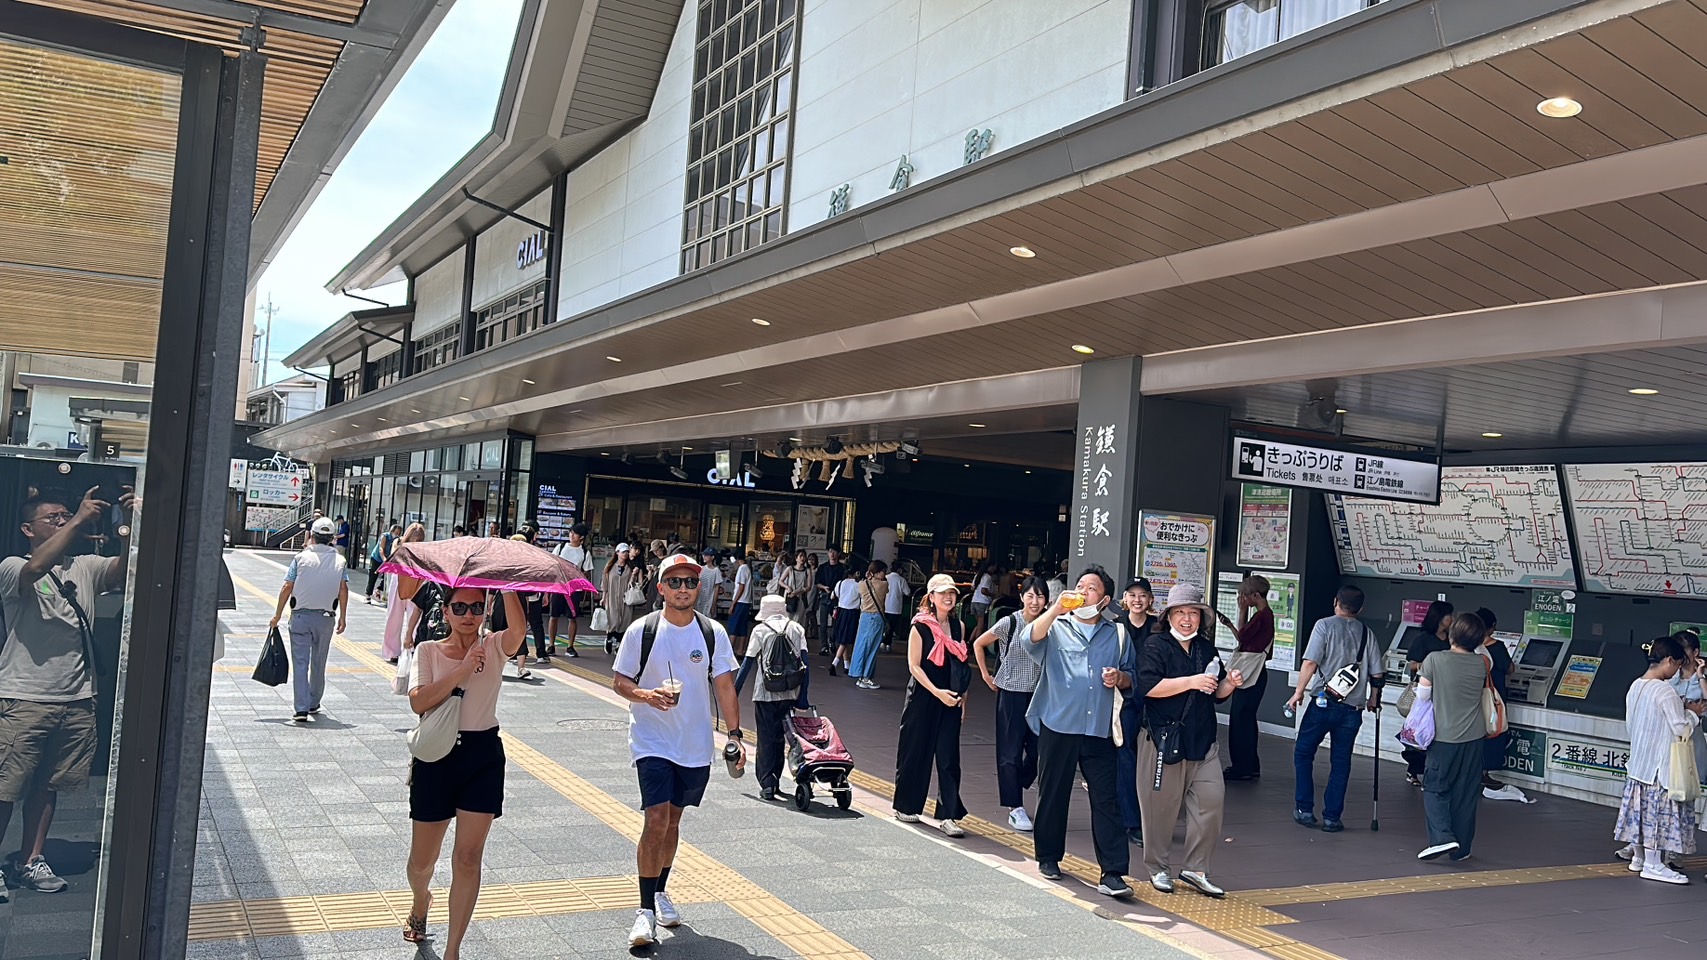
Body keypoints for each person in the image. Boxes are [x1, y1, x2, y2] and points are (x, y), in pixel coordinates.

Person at [0, 487, 135, 896]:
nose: (62, 521)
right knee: (5, 787)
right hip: (24, 696)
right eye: (53, 518)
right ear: (27, 529)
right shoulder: (12, 565)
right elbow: (36, 569)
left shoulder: (86, 566)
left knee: (49, 785)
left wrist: (134, 528)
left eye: (65, 516)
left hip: (76, 698)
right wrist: (77, 519)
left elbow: (127, 569)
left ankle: (30, 860)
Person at [612, 554, 744, 948]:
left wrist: (735, 735)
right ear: (661, 587)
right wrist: (646, 696)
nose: (683, 588)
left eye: (689, 582)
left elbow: (723, 685)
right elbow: (620, 681)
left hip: (694, 742)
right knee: (655, 819)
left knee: (672, 820)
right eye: (675, 582)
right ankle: (644, 911)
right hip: (651, 740)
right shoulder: (643, 630)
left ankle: (660, 891)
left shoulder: (712, 632)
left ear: (697, 588)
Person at [402, 588, 528, 956]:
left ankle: (453, 949)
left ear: (486, 611)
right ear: (445, 612)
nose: (468, 615)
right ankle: (420, 900)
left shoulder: (494, 646)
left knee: (469, 857)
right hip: (435, 758)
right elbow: (418, 702)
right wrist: (461, 669)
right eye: (459, 607)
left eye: (476, 607)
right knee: (421, 862)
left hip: (482, 755)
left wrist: (507, 585)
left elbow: (518, 632)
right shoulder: (428, 651)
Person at [1023, 566, 1138, 898]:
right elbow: (1027, 639)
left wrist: (1120, 678)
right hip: (1059, 723)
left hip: (1099, 727)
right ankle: (1048, 857)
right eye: (1080, 586)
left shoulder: (1117, 634)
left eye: (1092, 588)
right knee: (1053, 793)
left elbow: (1132, 676)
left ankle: (1113, 873)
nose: (1083, 591)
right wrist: (1055, 608)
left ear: (1104, 600)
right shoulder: (1056, 626)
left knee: (1106, 799)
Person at [1136, 583, 1242, 898]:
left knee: (1211, 802)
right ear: (1168, 615)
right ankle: (1157, 868)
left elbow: (1217, 693)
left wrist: (1230, 683)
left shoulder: (1206, 649)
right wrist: (1190, 682)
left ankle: (1196, 869)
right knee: (1160, 810)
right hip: (1162, 740)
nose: (1187, 619)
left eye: (1193, 613)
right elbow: (1148, 688)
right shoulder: (1155, 646)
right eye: (1180, 612)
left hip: (1203, 740)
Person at [1285, 585, 1383, 833]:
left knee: (1303, 753)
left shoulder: (1324, 626)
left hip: (1322, 701)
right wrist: (1373, 698)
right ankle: (1332, 818)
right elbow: (1377, 673)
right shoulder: (1367, 633)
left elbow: (1310, 663)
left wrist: (1298, 693)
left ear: (1335, 601)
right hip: (1352, 708)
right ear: (1361, 608)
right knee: (1341, 762)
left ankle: (1304, 810)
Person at [1613, 634, 1705, 884]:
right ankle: (1654, 865)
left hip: (1639, 763)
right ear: (1668, 660)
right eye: (1677, 663)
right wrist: (1694, 714)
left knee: (1640, 813)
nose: (1677, 670)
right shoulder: (1665, 691)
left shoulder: (1636, 685)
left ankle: (1639, 858)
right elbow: (1681, 728)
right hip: (1659, 766)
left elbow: (1631, 723)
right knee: (1657, 815)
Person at [893, 575, 971, 837]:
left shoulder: (959, 627)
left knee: (949, 757)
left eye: (952, 593)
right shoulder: (920, 627)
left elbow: (961, 666)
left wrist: (963, 701)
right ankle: (907, 805)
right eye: (942, 593)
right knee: (915, 751)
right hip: (924, 696)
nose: (948, 598)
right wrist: (937, 692)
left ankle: (949, 815)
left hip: (951, 699)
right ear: (931, 597)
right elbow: (914, 666)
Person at [1415, 612, 1492, 863]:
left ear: (1451, 634)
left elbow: (1423, 696)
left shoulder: (1434, 659)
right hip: (1474, 737)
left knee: (1435, 788)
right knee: (1465, 793)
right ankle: (1463, 848)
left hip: (1443, 737)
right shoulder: (1482, 662)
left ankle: (1441, 837)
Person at [974, 576, 1046, 832]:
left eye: (1040, 596)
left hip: (1040, 696)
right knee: (1010, 752)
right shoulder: (1010, 621)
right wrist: (985, 675)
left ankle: (1019, 783)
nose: (1035, 601)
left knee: (1039, 751)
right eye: (1030, 595)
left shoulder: (1050, 624)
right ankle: (1014, 807)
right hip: (1011, 693)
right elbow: (979, 643)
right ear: (1022, 596)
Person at [268, 517, 350, 722]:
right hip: (326, 618)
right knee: (319, 661)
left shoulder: (300, 558)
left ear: (311, 536)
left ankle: (301, 707)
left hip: (300, 617)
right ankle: (314, 702)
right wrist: (343, 616)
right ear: (331, 538)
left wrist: (277, 614)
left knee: (301, 662)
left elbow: (287, 586)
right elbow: (343, 589)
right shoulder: (340, 561)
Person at [734, 594, 808, 801]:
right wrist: (803, 696)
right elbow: (806, 664)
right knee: (781, 737)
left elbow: (747, 663)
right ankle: (777, 778)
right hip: (790, 691)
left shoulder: (760, 630)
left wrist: (734, 692)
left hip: (765, 693)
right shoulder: (797, 628)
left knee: (766, 738)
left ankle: (768, 783)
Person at [1114, 578, 1157, 845]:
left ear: (1150, 600)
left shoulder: (1159, 628)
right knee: (1126, 758)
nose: (1137, 600)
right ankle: (1131, 822)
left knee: (1152, 762)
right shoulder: (1116, 627)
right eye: (1132, 595)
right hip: (1127, 701)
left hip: (1156, 701)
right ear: (1125, 599)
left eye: (1143, 595)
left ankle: (1153, 819)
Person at [1222, 575, 1274, 782]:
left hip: (1251, 673)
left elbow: (1243, 638)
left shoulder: (1262, 616)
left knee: (1240, 719)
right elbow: (1244, 636)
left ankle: (1242, 767)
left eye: (1245, 595)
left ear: (1255, 595)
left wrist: (1242, 611)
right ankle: (1249, 765)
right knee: (1246, 720)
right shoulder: (1265, 615)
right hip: (1256, 671)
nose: (1242, 598)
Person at [1402, 601, 1454, 787]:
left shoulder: (1450, 639)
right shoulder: (1423, 639)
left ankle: (1431, 772)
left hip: (1446, 692)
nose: (1452, 619)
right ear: (1440, 617)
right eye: (1449, 615)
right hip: (1426, 692)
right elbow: (1412, 664)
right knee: (1422, 731)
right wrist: (1432, 665)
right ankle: (1414, 769)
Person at [1475, 608, 1510, 789]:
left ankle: (1473, 771)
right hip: (1494, 697)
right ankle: (1484, 773)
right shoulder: (1497, 646)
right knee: (1493, 730)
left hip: (1474, 695)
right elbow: (1509, 668)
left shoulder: (1470, 645)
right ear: (1493, 626)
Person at [382, 523, 425, 661]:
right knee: (394, 616)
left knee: (414, 616)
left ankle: (411, 646)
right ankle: (391, 651)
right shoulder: (399, 544)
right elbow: (394, 559)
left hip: (416, 583)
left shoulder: (423, 550)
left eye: (419, 539)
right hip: (399, 580)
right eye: (414, 538)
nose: (416, 541)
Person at [549, 522, 590, 657]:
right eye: (571, 532)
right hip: (559, 586)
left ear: (581, 537)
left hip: (574, 589)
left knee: (572, 617)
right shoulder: (560, 548)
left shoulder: (584, 553)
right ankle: (551, 645)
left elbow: (587, 572)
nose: (571, 535)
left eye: (575, 534)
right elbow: (552, 564)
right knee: (553, 616)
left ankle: (570, 646)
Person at [849, 561, 890, 690]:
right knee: (872, 648)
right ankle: (866, 677)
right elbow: (886, 586)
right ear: (876, 573)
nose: (885, 574)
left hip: (864, 617)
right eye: (883, 571)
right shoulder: (883, 585)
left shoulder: (862, 584)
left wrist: (868, 576)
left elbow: (860, 581)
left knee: (861, 646)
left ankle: (859, 675)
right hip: (876, 617)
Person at [601, 544, 642, 654]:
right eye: (623, 552)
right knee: (612, 620)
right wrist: (603, 597)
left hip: (625, 598)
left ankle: (619, 643)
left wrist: (634, 575)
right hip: (611, 598)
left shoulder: (631, 567)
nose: (625, 554)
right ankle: (609, 639)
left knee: (624, 620)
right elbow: (604, 583)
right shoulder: (609, 567)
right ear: (617, 552)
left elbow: (633, 584)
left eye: (627, 552)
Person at [828, 564, 861, 676]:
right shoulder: (858, 585)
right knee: (845, 640)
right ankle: (834, 664)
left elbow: (832, 596)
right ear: (856, 573)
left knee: (843, 639)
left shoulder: (840, 583)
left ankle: (847, 665)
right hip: (852, 614)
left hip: (841, 612)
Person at [814, 548, 847, 654]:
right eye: (830, 552)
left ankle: (832, 641)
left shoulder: (843, 568)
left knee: (835, 623)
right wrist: (824, 587)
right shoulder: (823, 567)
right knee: (823, 623)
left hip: (837, 598)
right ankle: (823, 646)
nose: (832, 554)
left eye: (834, 552)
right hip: (824, 596)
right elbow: (817, 582)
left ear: (838, 554)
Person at [366, 522, 399, 604]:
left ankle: (379, 589)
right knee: (373, 576)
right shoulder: (385, 536)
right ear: (392, 531)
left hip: (388, 559)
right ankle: (368, 595)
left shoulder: (397, 540)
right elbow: (381, 549)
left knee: (387, 577)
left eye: (399, 533)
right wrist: (384, 558)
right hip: (377, 558)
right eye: (396, 533)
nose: (397, 534)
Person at [726, 552, 755, 644]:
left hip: (740, 601)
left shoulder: (742, 569)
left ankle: (730, 649)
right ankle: (740, 649)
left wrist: (733, 604)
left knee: (733, 626)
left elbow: (741, 587)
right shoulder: (747, 568)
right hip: (746, 601)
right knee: (742, 626)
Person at [883, 562, 911, 652]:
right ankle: (888, 644)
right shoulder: (901, 580)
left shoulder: (885, 578)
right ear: (899, 570)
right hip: (895, 608)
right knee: (892, 627)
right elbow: (908, 592)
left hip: (884, 606)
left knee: (884, 626)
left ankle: (882, 642)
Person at [694, 546, 725, 620]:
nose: (704, 557)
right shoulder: (701, 568)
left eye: (706, 555)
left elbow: (717, 588)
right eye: (703, 555)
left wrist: (714, 604)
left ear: (712, 557)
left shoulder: (716, 571)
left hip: (709, 601)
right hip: (699, 599)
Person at [971, 562, 1000, 635]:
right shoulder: (987, 577)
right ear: (989, 567)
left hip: (974, 601)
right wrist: (992, 595)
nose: (994, 569)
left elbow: (972, 588)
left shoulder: (977, 576)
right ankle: (976, 642)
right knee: (981, 626)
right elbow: (983, 590)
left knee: (978, 624)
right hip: (983, 602)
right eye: (993, 567)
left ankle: (970, 641)